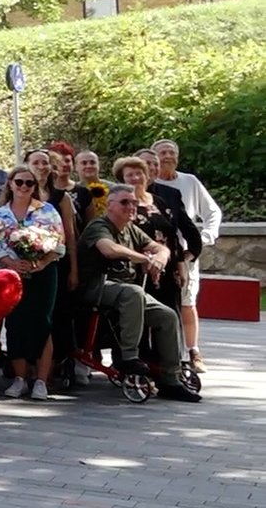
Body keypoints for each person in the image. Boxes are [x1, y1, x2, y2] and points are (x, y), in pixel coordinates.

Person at [79, 186, 201, 403]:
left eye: (134, 202)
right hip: (96, 287)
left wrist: (160, 258)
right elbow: (109, 249)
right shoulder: (99, 226)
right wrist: (144, 258)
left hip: (126, 291)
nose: (131, 207)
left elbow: (160, 247)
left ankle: (171, 379)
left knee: (167, 316)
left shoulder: (131, 229)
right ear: (109, 205)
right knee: (134, 292)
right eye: (125, 202)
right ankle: (129, 357)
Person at [0, 163, 64, 400]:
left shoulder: (47, 210)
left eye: (29, 183)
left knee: (42, 323)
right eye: (19, 182)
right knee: (15, 323)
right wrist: (11, 263)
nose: (24, 186)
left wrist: (42, 262)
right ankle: (20, 378)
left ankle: (41, 380)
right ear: (10, 184)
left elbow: (59, 242)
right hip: (10, 274)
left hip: (43, 274)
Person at [152, 139, 220, 373]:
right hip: (157, 252)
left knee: (187, 302)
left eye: (171, 152)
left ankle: (193, 351)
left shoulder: (189, 181)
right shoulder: (147, 184)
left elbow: (212, 212)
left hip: (186, 253)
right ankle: (164, 355)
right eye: (162, 153)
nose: (167, 156)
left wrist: (204, 238)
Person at [113, 156, 201, 317]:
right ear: (122, 180)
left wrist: (180, 265)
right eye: (130, 175)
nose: (135, 178)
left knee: (171, 315)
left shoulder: (159, 202)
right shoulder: (121, 206)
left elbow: (172, 235)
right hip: (139, 269)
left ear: (147, 176)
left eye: (139, 173)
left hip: (168, 268)